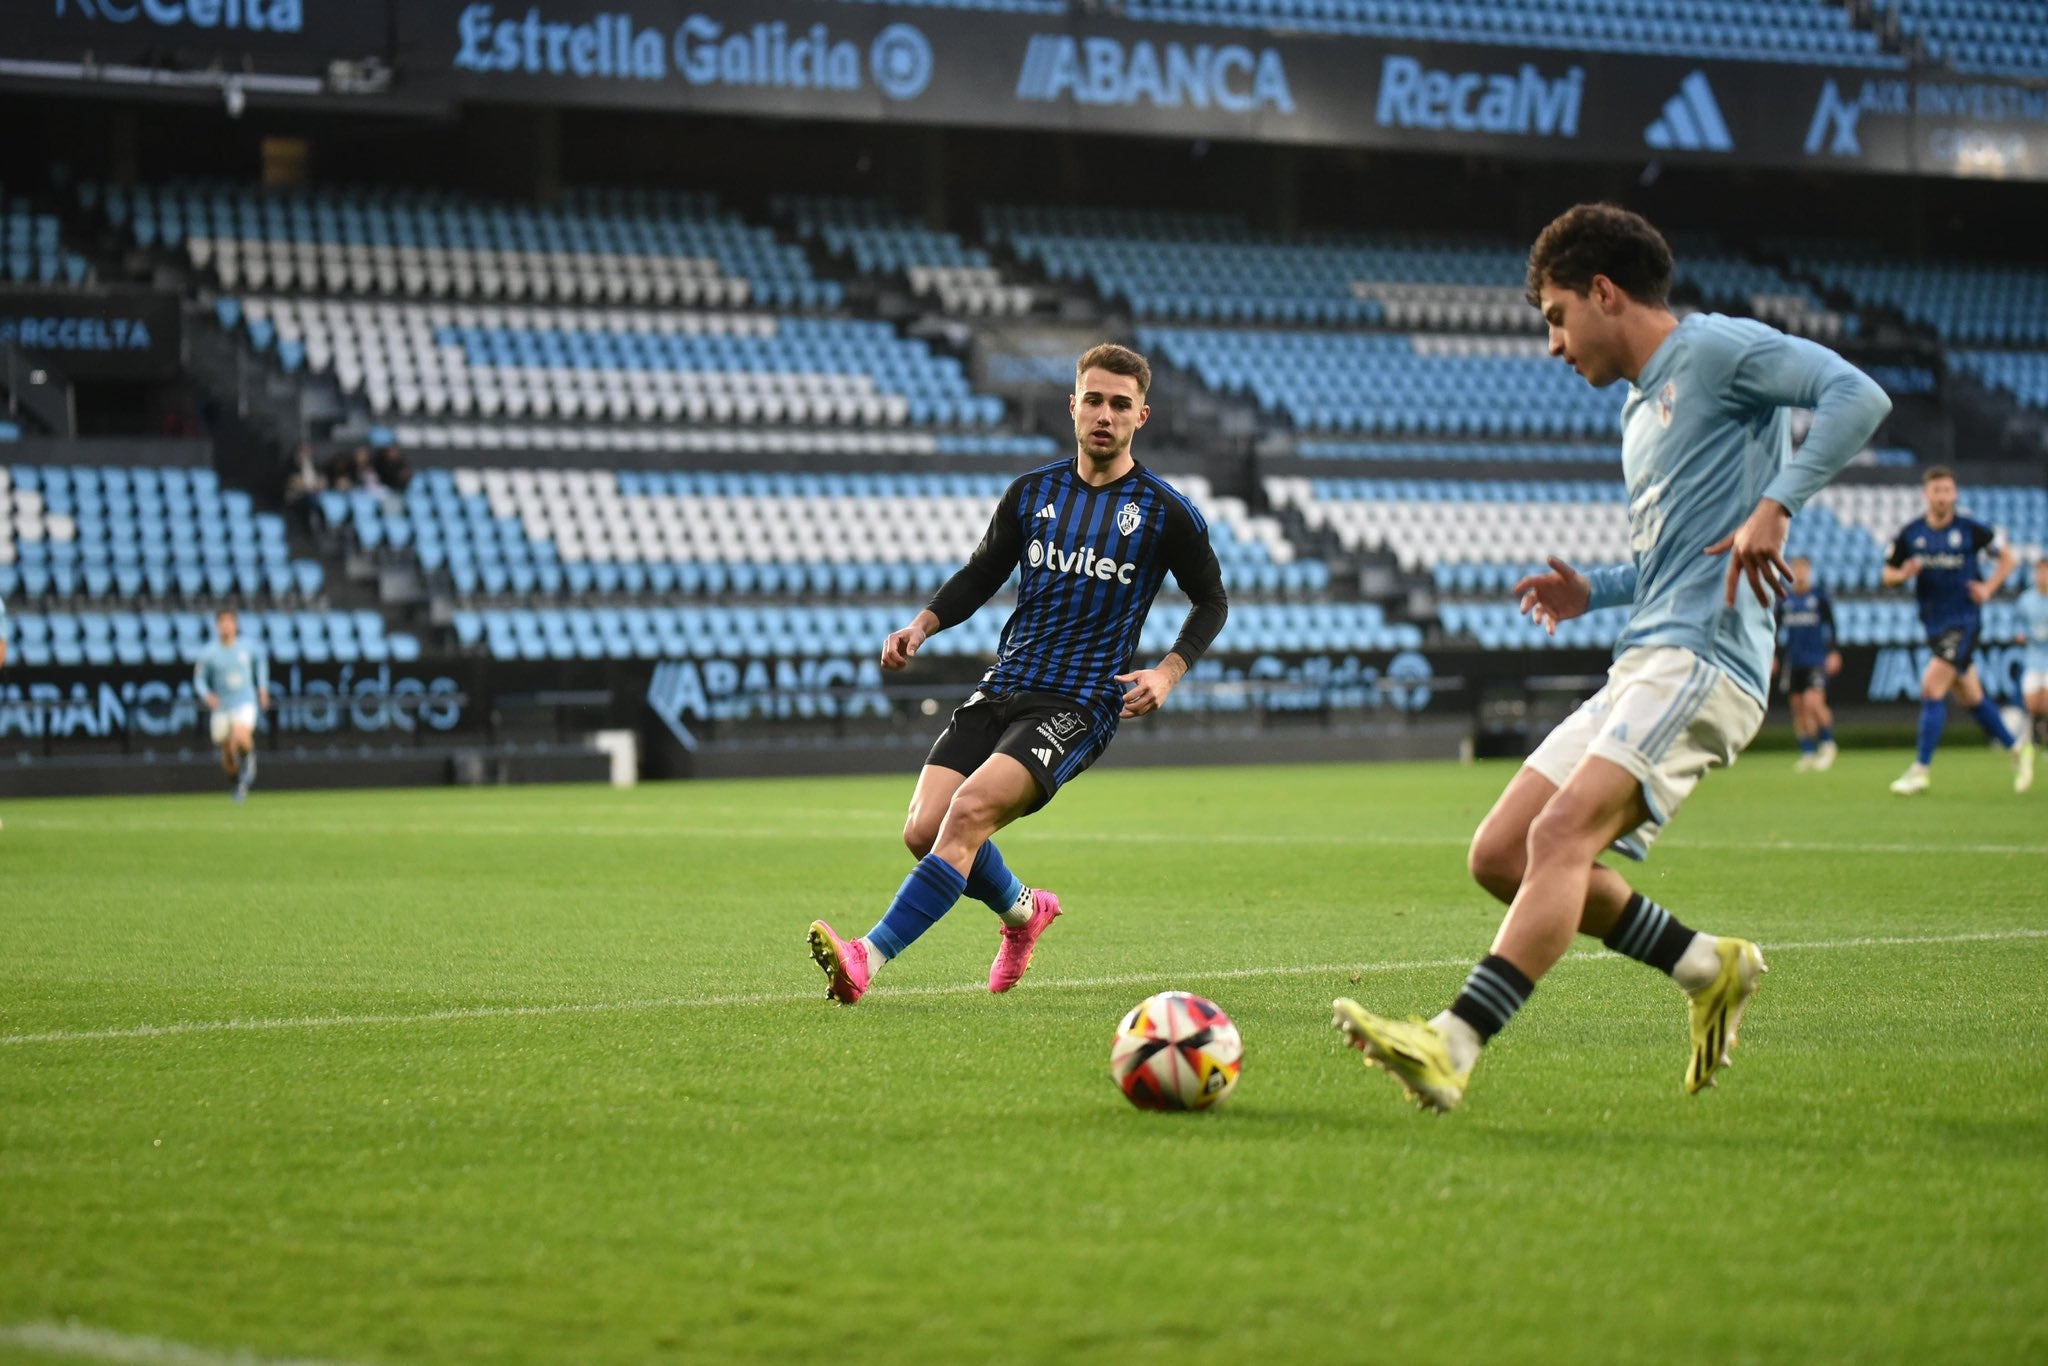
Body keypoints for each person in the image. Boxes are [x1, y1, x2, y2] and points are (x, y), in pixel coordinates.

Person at [1331, 203, 1892, 1111]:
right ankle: (1707, 965)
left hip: (1705, 658)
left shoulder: (1715, 351)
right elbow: (1675, 557)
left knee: (1561, 836)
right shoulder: (1642, 408)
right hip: (1646, 653)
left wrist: (1779, 503)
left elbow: (1858, 396)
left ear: (1604, 291)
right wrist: (1595, 587)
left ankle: (1453, 1043)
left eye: (1556, 316)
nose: (1554, 344)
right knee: (1503, 852)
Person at [807, 344, 1229, 1005]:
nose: (1104, 415)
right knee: (923, 830)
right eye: (1094, 399)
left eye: (1120, 405)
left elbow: (1213, 599)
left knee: (969, 812)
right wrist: (922, 624)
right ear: (1073, 405)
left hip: (1079, 704)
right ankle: (1026, 914)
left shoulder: (1163, 511)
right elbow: (982, 572)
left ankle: (868, 956)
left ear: (1141, 416)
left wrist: (1171, 672)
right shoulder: (1033, 493)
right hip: (1004, 683)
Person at [1881, 466, 2033, 795]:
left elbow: (2008, 558)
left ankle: (1920, 770)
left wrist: (1989, 588)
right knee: (1971, 696)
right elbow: (1887, 575)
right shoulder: (1911, 534)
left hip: (1965, 622)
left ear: (1955, 494)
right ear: (1927, 495)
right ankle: (2018, 748)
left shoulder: (1970, 530)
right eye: (1937, 491)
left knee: (1931, 687)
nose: (1942, 496)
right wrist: (1904, 573)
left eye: (1948, 490)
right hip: (1934, 624)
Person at [193, 609, 271, 803]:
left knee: (240, 735)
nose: (226, 627)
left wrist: (262, 688)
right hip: (222, 706)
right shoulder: (209, 652)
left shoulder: (248, 646)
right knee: (227, 751)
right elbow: (199, 679)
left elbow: (261, 663)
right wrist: (207, 695)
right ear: (217, 626)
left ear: (236, 625)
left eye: (230, 623)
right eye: (223, 623)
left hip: (244, 701)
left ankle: (249, 758)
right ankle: (237, 783)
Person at [1775, 555, 1841, 770]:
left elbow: (1832, 625)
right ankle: (1808, 752)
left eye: (1804, 569)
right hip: (1793, 661)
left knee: (1814, 702)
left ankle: (1828, 744)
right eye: (1797, 569)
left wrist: (1834, 652)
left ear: (1809, 571)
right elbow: (1774, 630)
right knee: (1799, 708)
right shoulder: (1785, 599)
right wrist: (1773, 656)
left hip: (1815, 659)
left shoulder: (1819, 596)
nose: (1800, 573)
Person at [2018, 558, 2048, 758]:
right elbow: (2019, 625)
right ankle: (2036, 739)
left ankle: (2043, 742)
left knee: (2046, 702)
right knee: (2032, 704)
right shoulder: (2026, 600)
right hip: (2033, 658)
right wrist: (2021, 635)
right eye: (2040, 572)